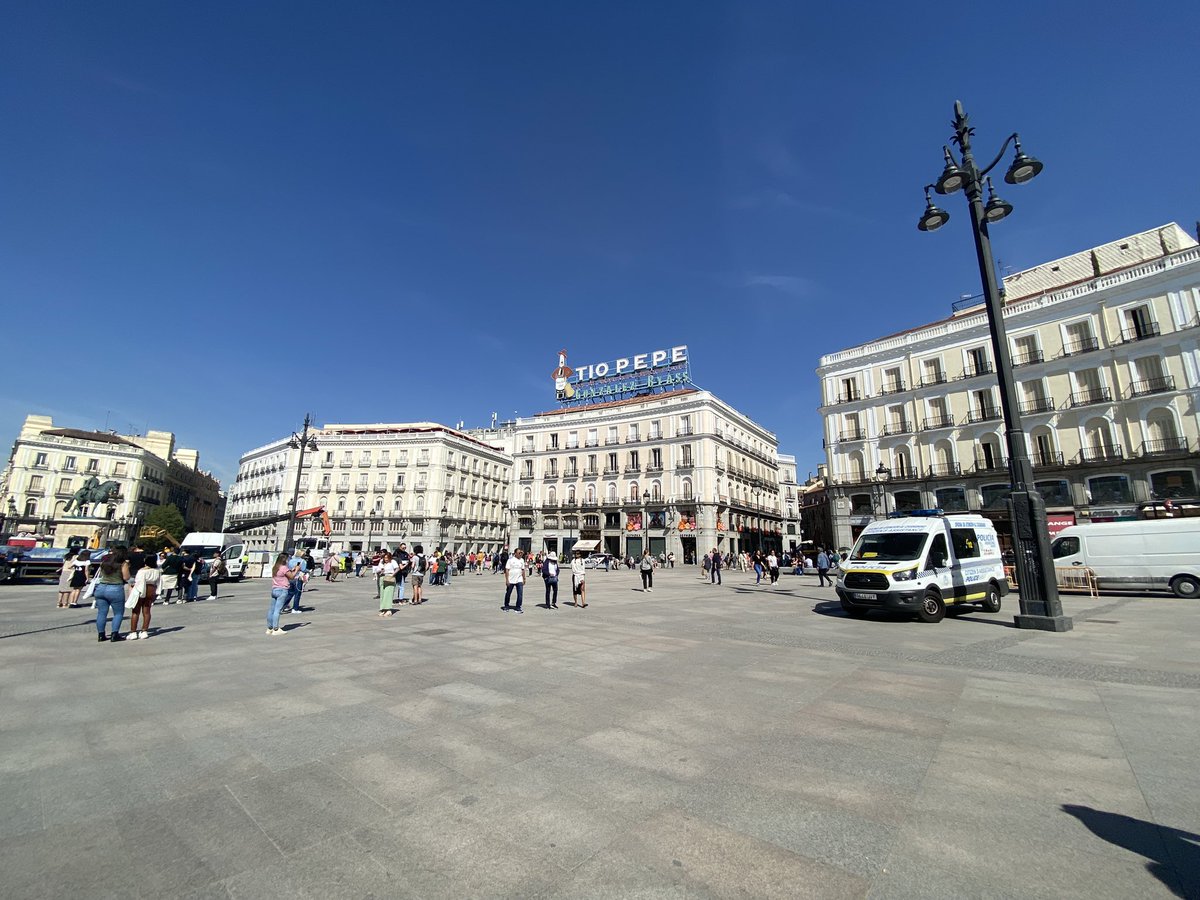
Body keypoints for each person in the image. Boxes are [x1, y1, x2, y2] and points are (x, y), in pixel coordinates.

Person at [94, 550, 130, 642]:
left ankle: (101, 635)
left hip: (101, 587)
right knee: (118, 613)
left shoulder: (104, 562)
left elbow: (101, 574)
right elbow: (126, 577)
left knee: (102, 613)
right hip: (115, 588)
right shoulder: (122, 563)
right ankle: (115, 634)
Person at [126, 552, 160, 640]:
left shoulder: (142, 571)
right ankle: (144, 631)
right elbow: (159, 583)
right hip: (151, 590)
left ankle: (133, 632)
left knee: (135, 611)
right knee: (147, 611)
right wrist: (156, 593)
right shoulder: (157, 571)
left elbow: (139, 583)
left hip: (141, 590)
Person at [267, 553, 300, 635]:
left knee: (272, 610)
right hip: (282, 590)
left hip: (274, 589)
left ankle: (269, 628)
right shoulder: (284, 568)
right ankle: (276, 629)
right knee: (277, 610)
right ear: (285, 560)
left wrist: (291, 570)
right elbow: (291, 577)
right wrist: (296, 570)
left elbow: (284, 574)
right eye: (288, 559)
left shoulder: (275, 567)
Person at [375, 551, 399, 616]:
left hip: (389, 577)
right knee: (382, 594)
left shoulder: (393, 562)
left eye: (387, 557)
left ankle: (388, 609)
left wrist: (393, 574)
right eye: (385, 557)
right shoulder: (381, 562)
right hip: (382, 577)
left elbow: (397, 568)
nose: (386, 559)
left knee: (388, 594)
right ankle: (382, 609)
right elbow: (377, 570)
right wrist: (380, 570)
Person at [502, 548, 526, 613]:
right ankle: (506, 606)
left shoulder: (522, 560)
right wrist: (507, 580)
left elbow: (523, 570)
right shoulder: (510, 560)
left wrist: (524, 578)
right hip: (511, 579)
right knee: (508, 593)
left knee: (520, 594)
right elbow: (507, 570)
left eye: (521, 553)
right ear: (515, 553)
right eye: (519, 553)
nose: (520, 554)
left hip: (519, 579)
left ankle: (518, 607)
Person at [284, 549, 308, 613]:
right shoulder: (303, 561)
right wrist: (307, 571)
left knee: (290, 593)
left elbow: (288, 568)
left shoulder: (291, 560)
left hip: (291, 577)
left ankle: (283, 606)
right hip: (298, 578)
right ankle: (295, 608)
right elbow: (303, 569)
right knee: (297, 594)